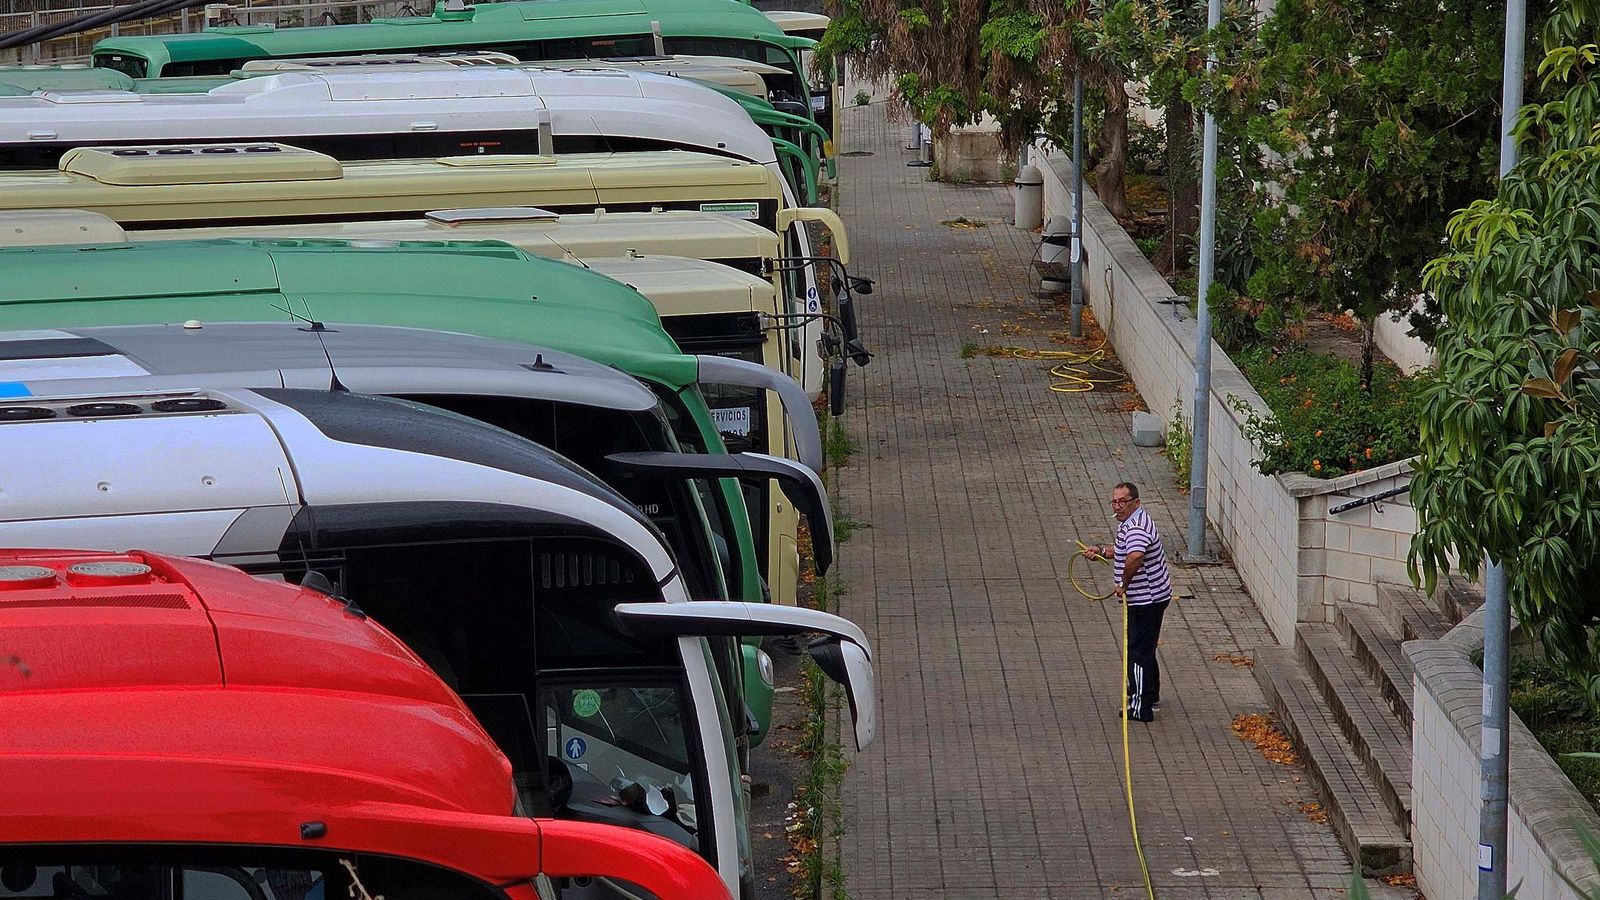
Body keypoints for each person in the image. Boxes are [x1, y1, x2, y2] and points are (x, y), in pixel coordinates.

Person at [1085, 481, 1173, 722]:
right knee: (1146, 646)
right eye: (1114, 502)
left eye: (1122, 502)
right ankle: (1149, 691)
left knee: (1138, 652)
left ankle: (1139, 706)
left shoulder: (1135, 528)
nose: (1117, 506)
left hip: (1146, 600)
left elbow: (1135, 556)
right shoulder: (1134, 521)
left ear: (1136, 502)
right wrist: (1102, 551)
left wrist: (1123, 583)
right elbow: (1124, 550)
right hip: (1153, 597)